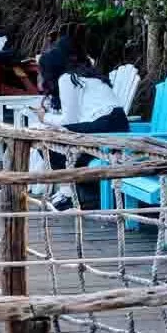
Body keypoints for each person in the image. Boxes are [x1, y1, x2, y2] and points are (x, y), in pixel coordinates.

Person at [34, 39, 128, 211]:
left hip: (105, 124)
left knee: (48, 139)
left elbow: (69, 121)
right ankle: (72, 192)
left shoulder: (67, 78)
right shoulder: (84, 75)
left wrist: (44, 117)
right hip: (115, 123)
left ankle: (70, 194)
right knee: (56, 138)